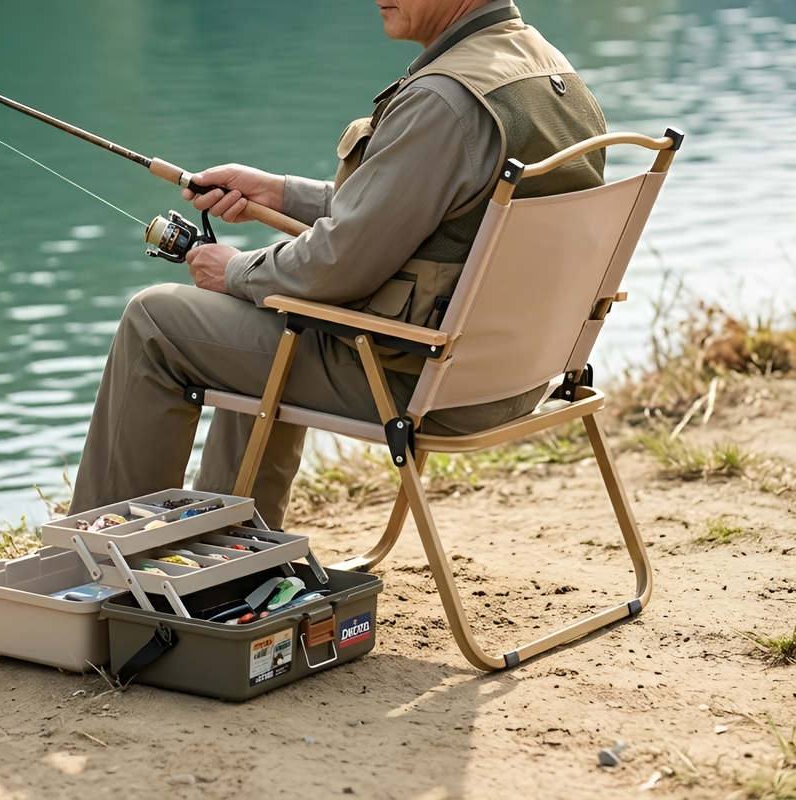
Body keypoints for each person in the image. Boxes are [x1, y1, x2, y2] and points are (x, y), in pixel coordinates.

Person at [70, 0, 607, 528]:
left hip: (418, 382)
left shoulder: (444, 102)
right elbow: (412, 210)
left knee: (155, 321)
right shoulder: (551, 75)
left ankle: (96, 566)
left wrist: (234, 271)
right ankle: (232, 551)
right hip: (518, 377)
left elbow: (332, 268)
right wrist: (280, 193)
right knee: (257, 317)